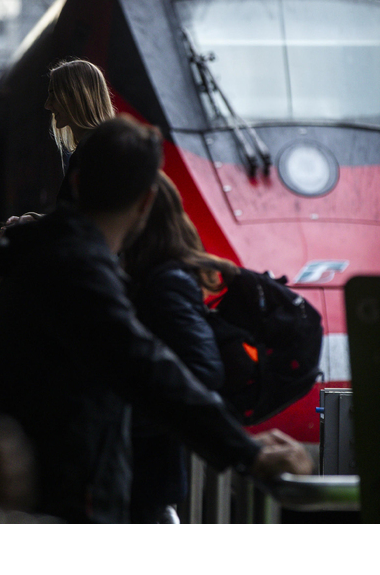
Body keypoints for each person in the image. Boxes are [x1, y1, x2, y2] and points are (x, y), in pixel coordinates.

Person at [0, 116, 311, 523]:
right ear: (147, 201)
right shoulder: (77, 270)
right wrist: (247, 452)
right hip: (60, 501)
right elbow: (144, 364)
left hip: (26, 488)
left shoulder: (44, 256)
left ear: (76, 185)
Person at [121, 171, 241, 523]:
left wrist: (127, 418)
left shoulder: (166, 283)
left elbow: (204, 371)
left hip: (147, 480)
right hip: (139, 474)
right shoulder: (146, 276)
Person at [43, 58, 115, 203]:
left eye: (54, 94)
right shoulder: (102, 147)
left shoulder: (92, 153)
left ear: (76, 96)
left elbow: (86, 218)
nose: (47, 105)